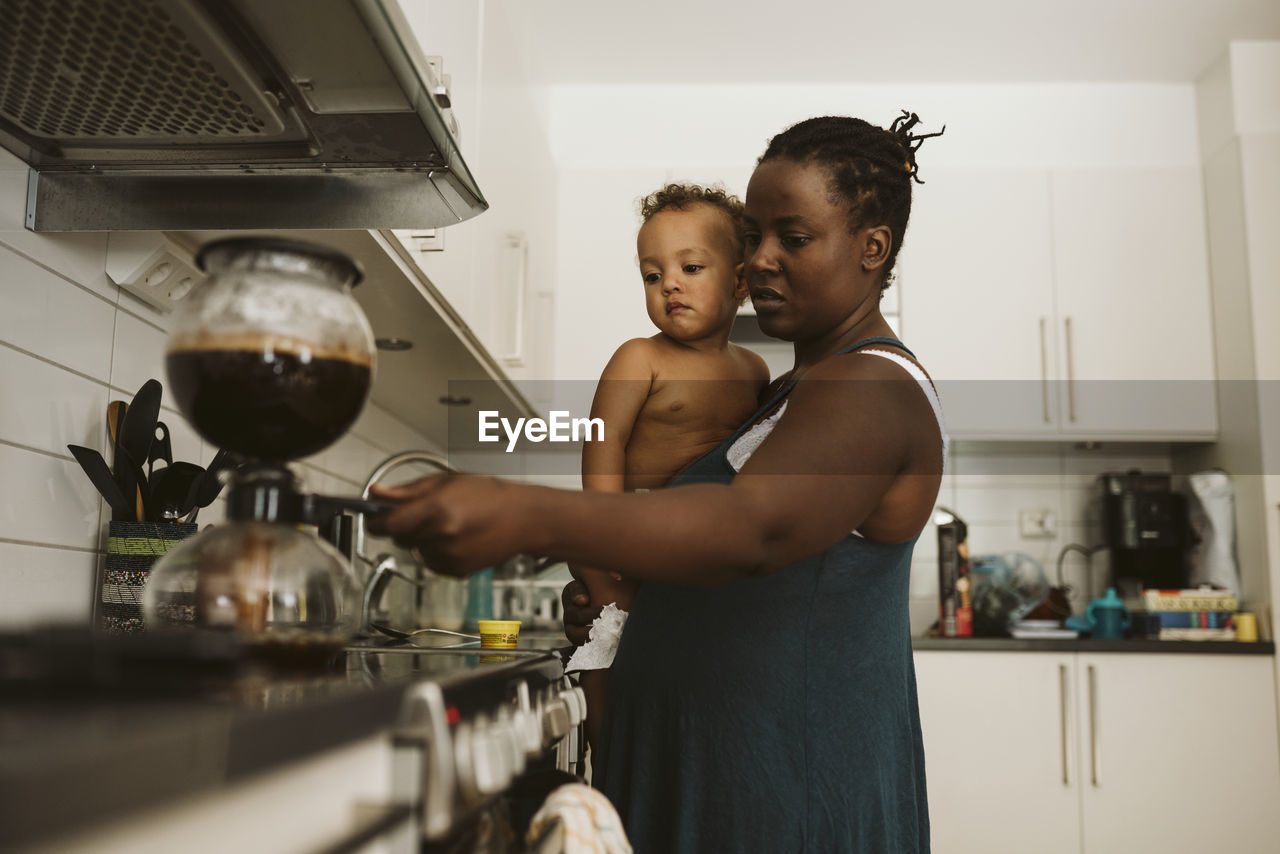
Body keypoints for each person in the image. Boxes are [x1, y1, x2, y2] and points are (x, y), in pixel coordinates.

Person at [369, 111, 947, 853]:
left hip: (784, 796)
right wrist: (635, 600)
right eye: (754, 235)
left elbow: (750, 529)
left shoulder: (874, 388)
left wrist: (530, 514)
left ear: (873, 248)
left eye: (792, 238)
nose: (759, 260)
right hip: (715, 777)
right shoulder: (789, 390)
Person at [570, 183, 770, 750]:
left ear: (739, 281)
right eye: (652, 276)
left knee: (680, 694)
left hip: (695, 551)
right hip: (627, 530)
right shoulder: (641, 356)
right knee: (612, 671)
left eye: (690, 266)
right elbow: (602, 448)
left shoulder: (754, 370)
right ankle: (611, 774)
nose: (670, 285)